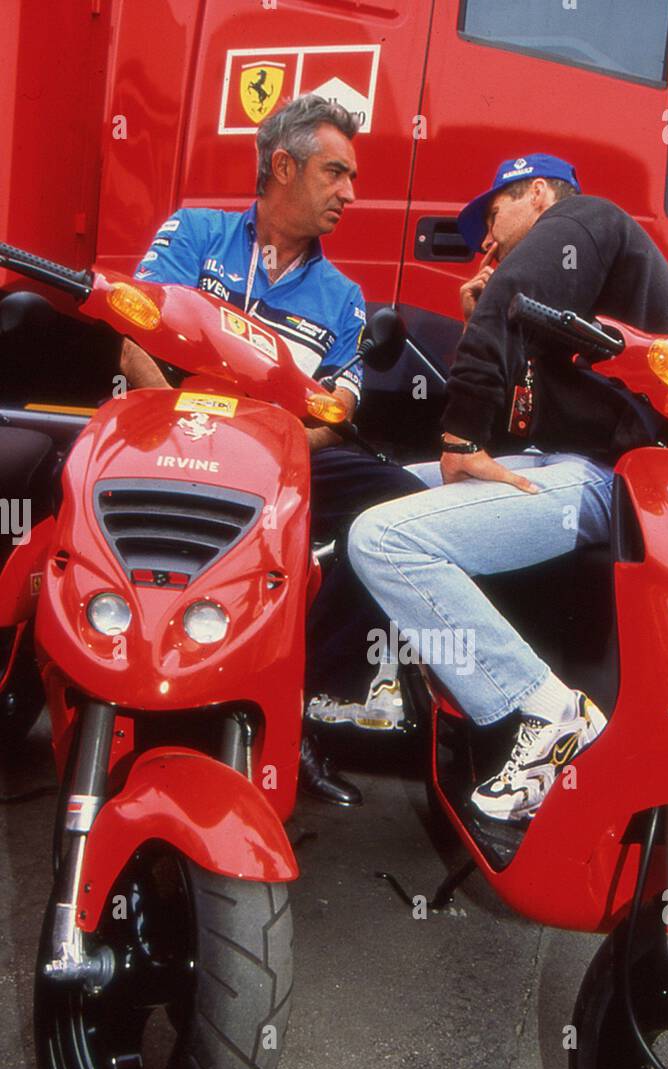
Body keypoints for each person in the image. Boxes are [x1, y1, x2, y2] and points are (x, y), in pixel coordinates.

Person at [348, 154, 668, 824]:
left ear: (538, 195)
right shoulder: (568, 299)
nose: (486, 241)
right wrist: (498, 333)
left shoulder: (584, 217)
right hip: (565, 464)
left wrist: (455, 440)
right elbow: (518, 431)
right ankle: (384, 674)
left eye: (495, 217)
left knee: (383, 537)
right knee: (370, 488)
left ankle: (547, 708)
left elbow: (505, 336)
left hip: (615, 480)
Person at [126, 92, 425, 805]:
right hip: (163, 436)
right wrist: (192, 427)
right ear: (282, 167)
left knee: (403, 510)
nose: (350, 194)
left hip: (275, 454)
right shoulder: (194, 232)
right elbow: (135, 336)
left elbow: (341, 407)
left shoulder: (343, 294)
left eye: (351, 177)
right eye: (336, 173)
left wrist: (271, 445)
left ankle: (301, 705)